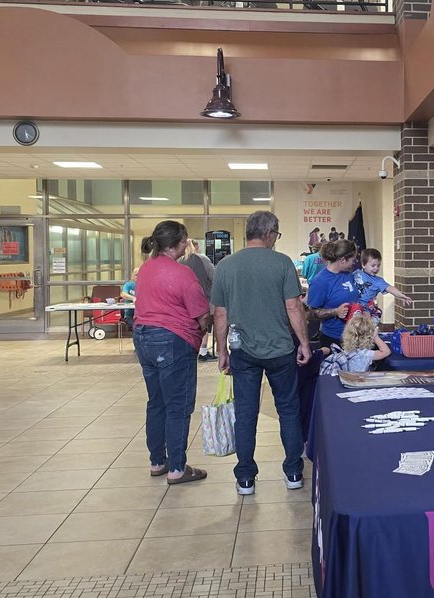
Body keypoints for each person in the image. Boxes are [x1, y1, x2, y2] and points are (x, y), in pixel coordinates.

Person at [212, 210, 311, 496]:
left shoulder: (226, 266)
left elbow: (220, 313)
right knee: (289, 410)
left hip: (242, 350)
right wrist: (303, 343)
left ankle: (245, 478)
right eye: (276, 236)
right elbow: (294, 307)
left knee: (245, 414)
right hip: (280, 349)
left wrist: (222, 352)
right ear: (269, 234)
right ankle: (293, 472)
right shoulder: (281, 263)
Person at [133, 221, 211, 485]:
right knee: (178, 405)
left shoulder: (145, 269)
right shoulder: (183, 273)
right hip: (172, 340)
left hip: (143, 337)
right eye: (185, 240)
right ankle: (177, 468)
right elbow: (201, 314)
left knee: (156, 402)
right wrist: (203, 334)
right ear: (177, 244)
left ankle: (158, 462)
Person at [305, 239, 359, 349]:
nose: (354, 263)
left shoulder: (348, 274)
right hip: (334, 338)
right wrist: (335, 311)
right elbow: (310, 313)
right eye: (352, 260)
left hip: (355, 335)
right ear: (343, 260)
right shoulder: (320, 281)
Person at [319, 311, 391, 376]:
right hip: (358, 383)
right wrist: (375, 337)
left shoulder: (346, 351)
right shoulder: (366, 354)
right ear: (369, 336)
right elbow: (386, 352)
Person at [179, 238, 216, 361]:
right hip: (203, 299)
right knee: (204, 326)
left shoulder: (179, 261)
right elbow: (214, 277)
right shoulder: (202, 259)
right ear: (197, 247)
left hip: (183, 302)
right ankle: (203, 352)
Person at [351, 248, 412, 317]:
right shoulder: (356, 273)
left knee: (365, 321)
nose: (376, 268)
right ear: (363, 264)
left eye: (378, 265)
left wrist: (399, 295)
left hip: (366, 310)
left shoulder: (378, 281)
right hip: (352, 307)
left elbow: (389, 288)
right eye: (373, 265)